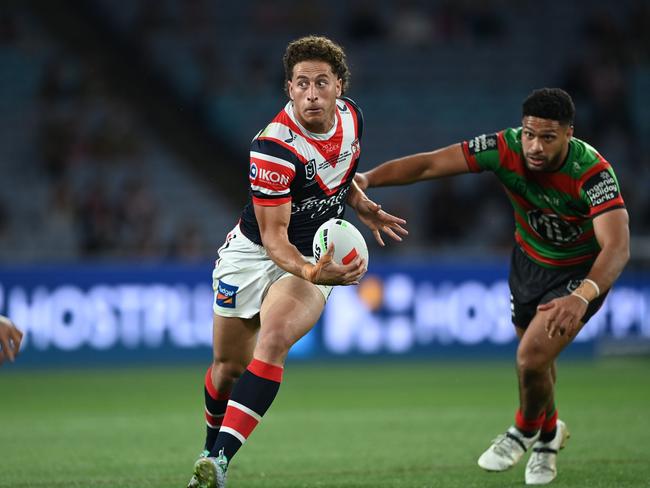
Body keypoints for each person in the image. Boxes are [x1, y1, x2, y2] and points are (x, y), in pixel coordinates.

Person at [355, 88, 629, 485]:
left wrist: (582, 296)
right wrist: (368, 178)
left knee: (530, 358)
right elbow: (430, 165)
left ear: (569, 133)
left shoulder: (592, 173)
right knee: (537, 365)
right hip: (528, 264)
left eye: (548, 137)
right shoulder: (504, 147)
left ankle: (522, 431)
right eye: (530, 133)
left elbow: (617, 248)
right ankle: (550, 436)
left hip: (581, 274)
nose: (535, 146)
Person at [187, 35, 407, 488]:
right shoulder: (273, 149)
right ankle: (210, 447)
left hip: (315, 252)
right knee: (227, 367)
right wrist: (310, 272)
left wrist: (361, 205)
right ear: (288, 88)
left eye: (321, 82)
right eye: (302, 83)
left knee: (275, 338)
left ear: (339, 86)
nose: (312, 93)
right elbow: (273, 239)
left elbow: (340, 174)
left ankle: (220, 462)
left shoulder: (352, 119)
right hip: (256, 253)